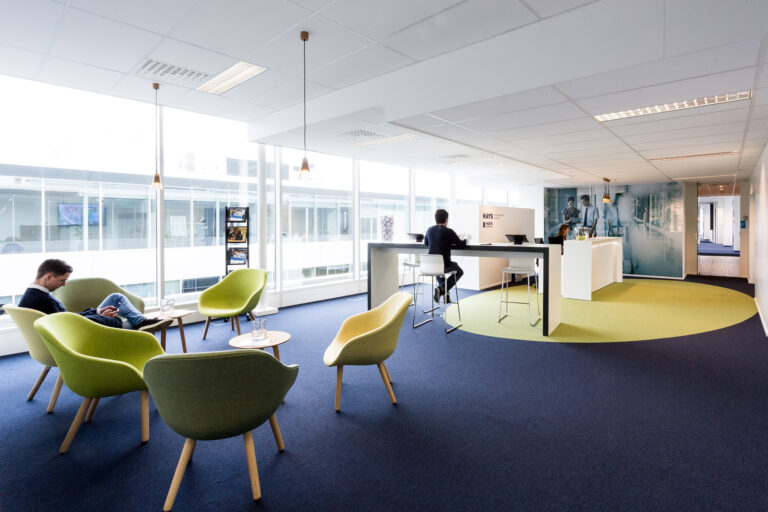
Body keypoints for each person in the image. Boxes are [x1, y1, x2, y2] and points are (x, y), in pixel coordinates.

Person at [19, 259, 172, 331]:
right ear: (48, 277)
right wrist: (105, 319)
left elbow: (68, 318)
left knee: (116, 298)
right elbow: (69, 324)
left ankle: (141, 321)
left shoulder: (33, 294)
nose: (64, 284)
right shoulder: (42, 300)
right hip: (84, 332)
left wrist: (98, 312)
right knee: (134, 324)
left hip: (76, 324)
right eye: (62, 280)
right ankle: (142, 323)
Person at [424, 209, 466, 303]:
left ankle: (444, 292)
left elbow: (426, 243)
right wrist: (466, 239)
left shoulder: (429, 230)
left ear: (435, 219)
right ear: (446, 219)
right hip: (444, 264)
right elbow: (461, 244)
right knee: (459, 271)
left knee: (438, 269)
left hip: (431, 265)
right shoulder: (449, 231)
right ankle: (442, 289)